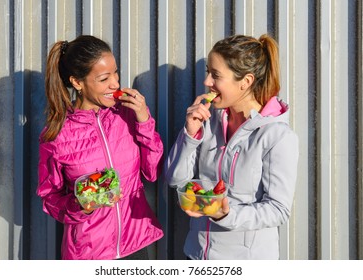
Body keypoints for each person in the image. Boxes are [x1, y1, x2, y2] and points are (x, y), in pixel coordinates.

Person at [164, 34, 299, 260]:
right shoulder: (208, 119)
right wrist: (190, 134)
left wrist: (225, 215)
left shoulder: (277, 135)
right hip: (196, 255)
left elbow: (278, 209)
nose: (207, 82)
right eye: (208, 72)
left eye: (215, 75)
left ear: (245, 82)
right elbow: (175, 181)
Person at [37, 35, 164, 260]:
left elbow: (152, 171)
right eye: (104, 78)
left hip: (134, 246)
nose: (115, 84)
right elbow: (50, 197)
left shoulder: (126, 114)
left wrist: (144, 119)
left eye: (115, 73)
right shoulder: (56, 135)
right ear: (77, 82)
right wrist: (81, 205)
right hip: (88, 253)